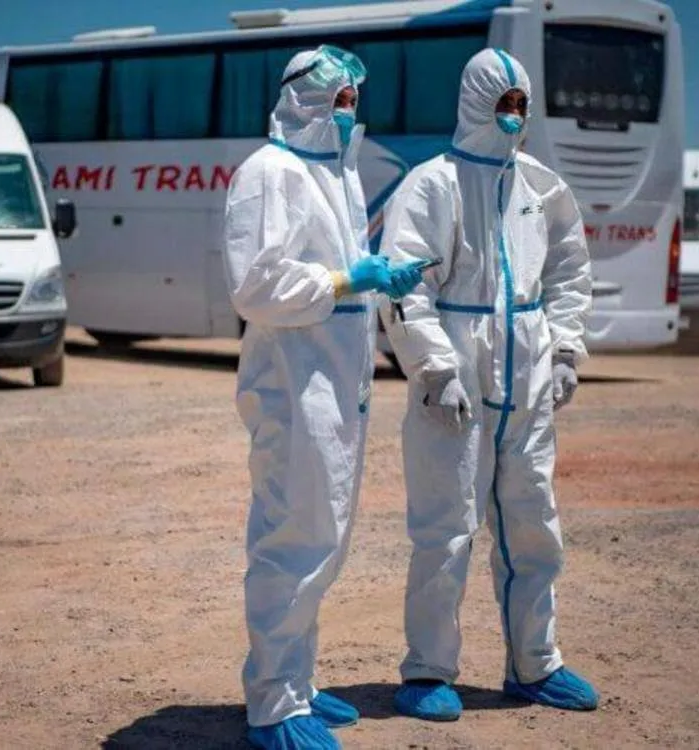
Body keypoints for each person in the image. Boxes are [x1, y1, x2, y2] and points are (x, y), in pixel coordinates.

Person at [380, 48, 596, 721]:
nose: (514, 115)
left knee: (534, 521)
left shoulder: (542, 187)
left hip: (527, 373)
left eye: (521, 104)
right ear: (476, 102)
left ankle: (536, 664)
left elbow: (569, 271)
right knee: (445, 526)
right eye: (503, 102)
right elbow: (406, 286)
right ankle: (427, 669)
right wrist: (435, 367)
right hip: (458, 372)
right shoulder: (431, 185)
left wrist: (565, 348)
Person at [222, 45, 425, 750]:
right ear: (301, 98)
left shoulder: (336, 173)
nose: (347, 111)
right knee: (294, 539)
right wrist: (344, 282)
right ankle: (273, 705)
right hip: (293, 384)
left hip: (334, 387)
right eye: (337, 99)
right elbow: (255, 286)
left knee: (324, 538)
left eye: (352, 101)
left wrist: (379, 277)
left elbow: (338, 268)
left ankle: (298, 684)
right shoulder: (268, 173)